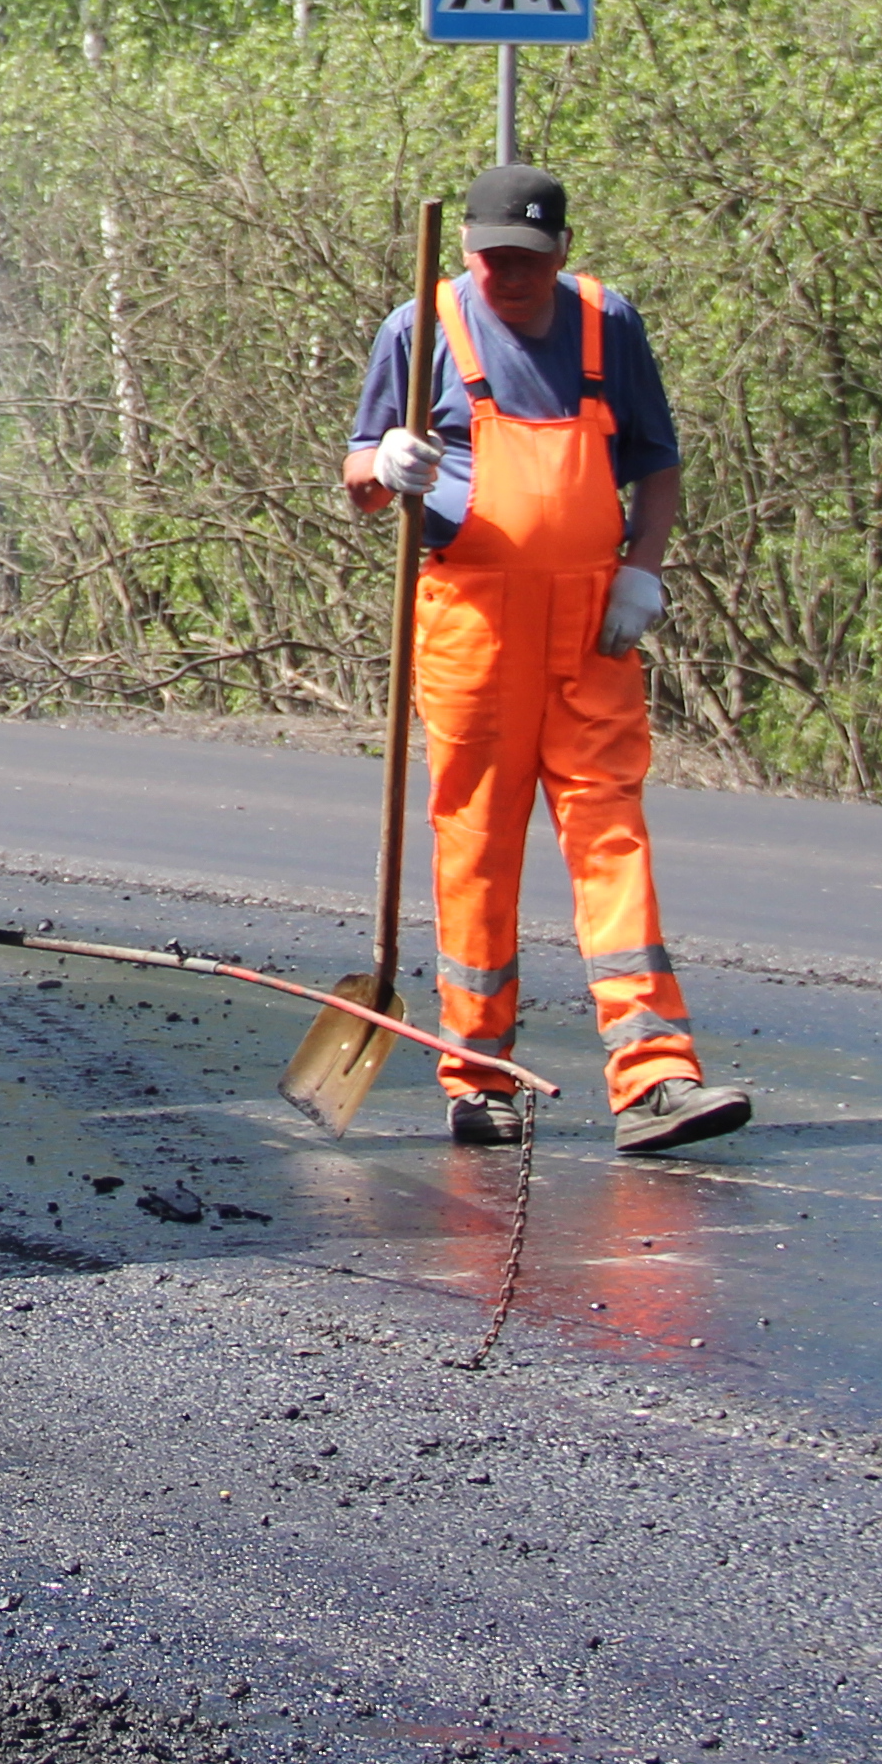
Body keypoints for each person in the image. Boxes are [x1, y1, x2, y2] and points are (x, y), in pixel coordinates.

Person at [342, 164, 754, 1157]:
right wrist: (384, 466)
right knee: (477, 843)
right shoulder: (421, 324)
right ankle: (479, 1080)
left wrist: (641, 574)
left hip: (591, 628)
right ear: (470, 249)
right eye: (492, 259)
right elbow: (356, 476)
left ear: (563, 253)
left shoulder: (611, 325)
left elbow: (656, 462)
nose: (508, 277)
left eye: (527, 260)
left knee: (611, 831)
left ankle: (656, 1076)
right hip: (472, 623)